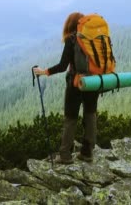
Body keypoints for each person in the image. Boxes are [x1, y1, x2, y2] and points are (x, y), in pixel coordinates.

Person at [33, 12, 98, 164]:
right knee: (90, 115)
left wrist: (45, 72)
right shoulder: (94, 37)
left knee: (70, 119)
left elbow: (63, 66)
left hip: (76, 84)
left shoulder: (72, 39)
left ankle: (65, 155)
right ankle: (87, 152)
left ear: (70, 24)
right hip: (94, 82)